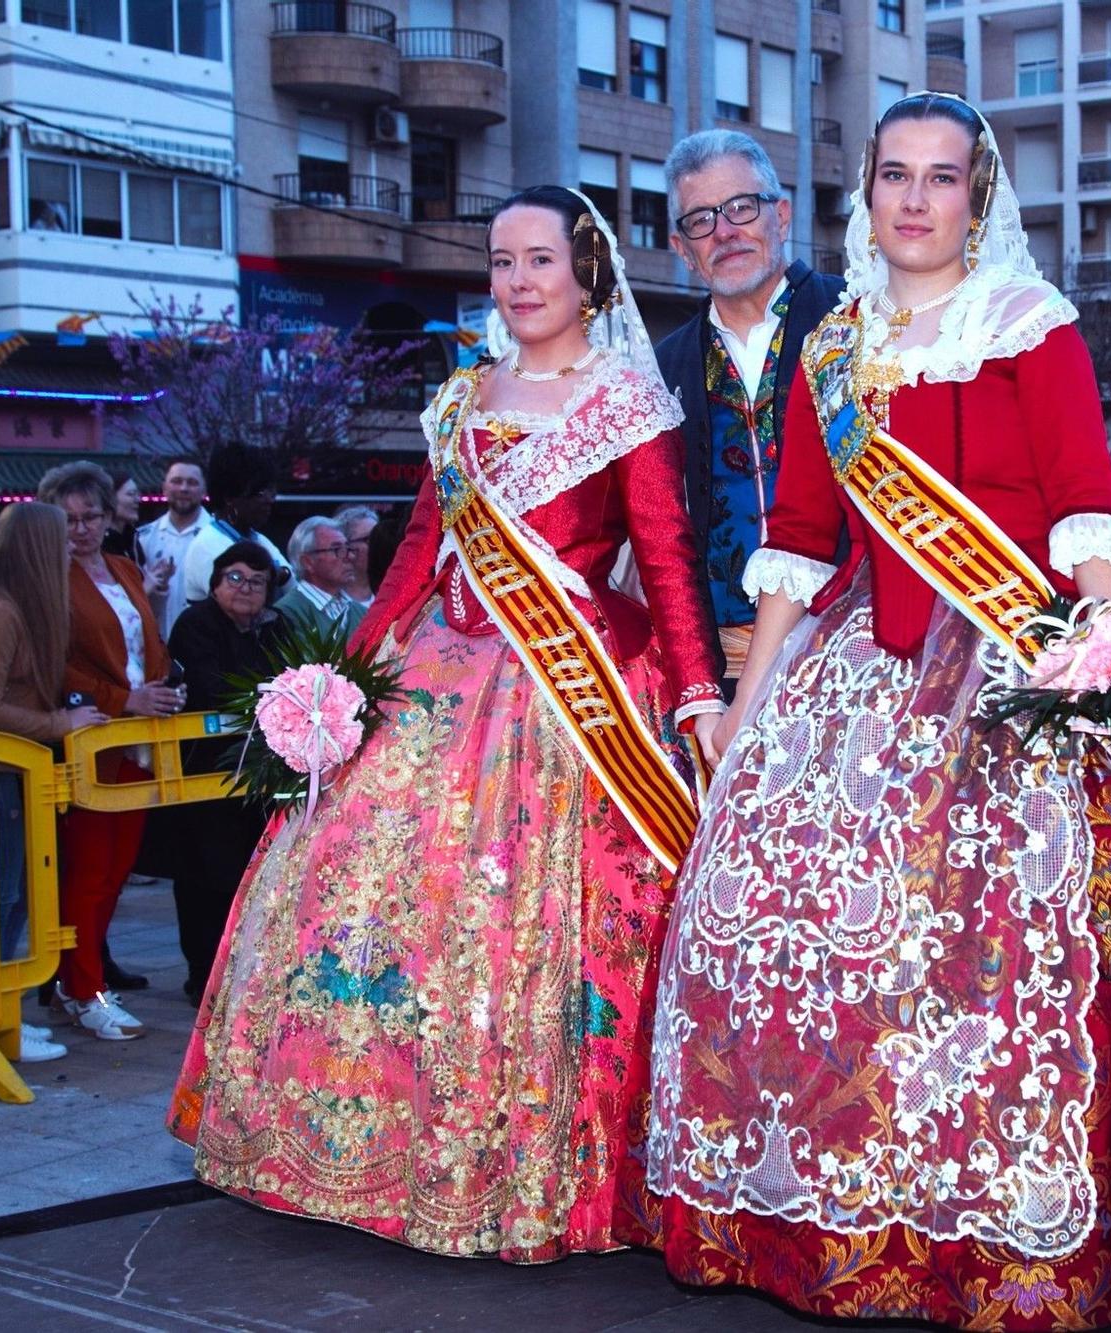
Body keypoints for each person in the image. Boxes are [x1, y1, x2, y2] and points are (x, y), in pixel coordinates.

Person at [641, 93, 1111, 1328]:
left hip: (1012, 664)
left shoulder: (1031, 327)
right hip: (852, 675)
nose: (914, 199)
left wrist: (1104, 670)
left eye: (941, 177)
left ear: (976, 198)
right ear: (862, 195)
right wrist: (742, 719)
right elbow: (799, 544)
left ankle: (1006, 1238)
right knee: (803, 949)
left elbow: (1085, 508)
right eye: (892, 175)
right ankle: (844, 1214)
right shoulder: (835, 348)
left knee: (1004, 958)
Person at [170, 184, 724, 1262]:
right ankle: (355, 1143)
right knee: (356, 894)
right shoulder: (462, 399)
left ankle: (515, 1165)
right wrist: (348, 677)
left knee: (524, 923)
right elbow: (420, 557)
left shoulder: (626, 401)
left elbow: (665, 560)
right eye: (501, 262)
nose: (517, 282)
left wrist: (699, 694)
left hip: (565, 697)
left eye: (539, 263)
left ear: (586, 277)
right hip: (437, 681)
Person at [656, 131, 845, 689]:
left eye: (742, 207)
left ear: (780, 217)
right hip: (726, 668)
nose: (725, 232)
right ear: (683, 249)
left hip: (855, 649)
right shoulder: (664, 369)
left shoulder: (855, 323)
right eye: (701, 220)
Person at [0, 501, 110, 1064]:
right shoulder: (2, 614)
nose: (72, 546)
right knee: (2, 896)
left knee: (14, 898)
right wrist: (58, 723)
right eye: (61, 539)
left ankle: (0, 1016)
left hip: (18, 770)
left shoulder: (22, 609)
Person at [36, 462, 185, 1041]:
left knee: (117, 870)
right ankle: (84, 987)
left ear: (108, 516)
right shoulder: (49, 577)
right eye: (69, 518)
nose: (80, 528)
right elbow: (54, 664)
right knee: (90, 872)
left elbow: (147, 641)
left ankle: (78, 981)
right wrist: (124, 698)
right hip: (91, 736)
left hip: (138, 740)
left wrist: (161, 684)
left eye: (90, 515)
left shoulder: (124, 567)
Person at [164, 541, 284, 1003]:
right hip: (206, 772)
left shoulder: (276, 626)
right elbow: (211, 688)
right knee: (204, 879)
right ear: (214, 584)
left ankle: (246, 971)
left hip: (262, 774)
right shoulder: (196, 625)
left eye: (256, 582)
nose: (245, 589)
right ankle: (203, 975)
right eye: (234, 578)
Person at [179, 446, 289, 604]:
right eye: (260, 493)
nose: (269, 500)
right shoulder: (207, 546)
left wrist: (281, 575)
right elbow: (244, 606)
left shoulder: (257, 539)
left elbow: (295, 592)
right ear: (230, 496)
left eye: (271, 492)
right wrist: (278, 575)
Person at [135, 457, 209, 638]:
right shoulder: (142, 538)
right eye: (177, 481)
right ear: (164, 488)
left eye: (192, 483)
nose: (184, 488)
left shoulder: (219, 539)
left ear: (203, 491)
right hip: (155, 644)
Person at [271, 515, 363, 641]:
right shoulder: (285, 614)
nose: (349, 556)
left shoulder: (363, 613)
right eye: (336, 549)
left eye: (347, 548)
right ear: (307, 562)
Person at [329, 504, 379, 609]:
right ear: (345, 547)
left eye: (379, 536)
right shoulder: (327, 604)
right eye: (369, 539)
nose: (379, 543)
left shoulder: (394, 595)